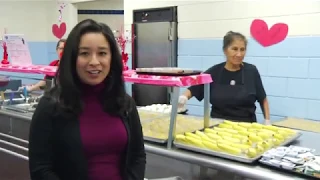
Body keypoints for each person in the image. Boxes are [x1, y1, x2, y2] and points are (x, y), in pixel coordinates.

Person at [28, 19, 146, 180]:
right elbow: (40, 168)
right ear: (72, 58)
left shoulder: (125, 104)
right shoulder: (51, 105)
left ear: (112, 58)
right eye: (84, 53)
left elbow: (138, 156)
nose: (94, 62)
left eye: (102, 53)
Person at [179, 31, 270, 124]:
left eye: (242, 49)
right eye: (234, 49)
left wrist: (267, 120)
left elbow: (263, 99)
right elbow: (193, 89)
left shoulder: (251, 71)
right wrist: (183, 97)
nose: (239, 54)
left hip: (246, 127)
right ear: (225, 50)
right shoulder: (214, 72)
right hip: (217, 126)